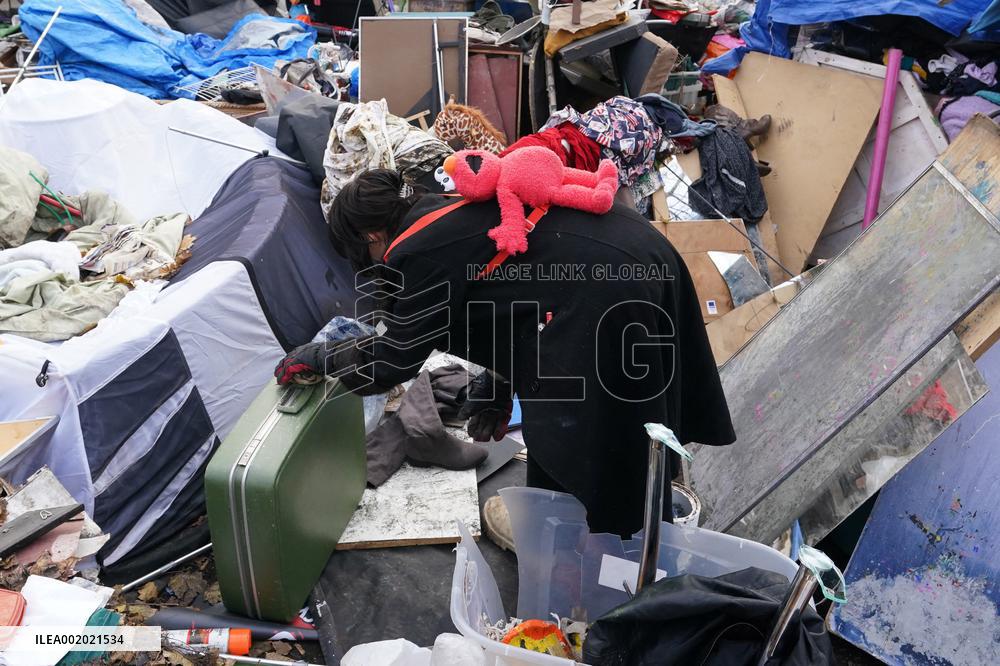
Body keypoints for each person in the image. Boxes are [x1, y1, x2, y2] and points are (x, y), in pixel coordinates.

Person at [275, 165, 735, 540]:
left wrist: (319, 357)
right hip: (638, 247)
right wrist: (497, 386)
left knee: (581, 425)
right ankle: (585, 523)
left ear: (371, 237)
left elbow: (391, 361)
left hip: (609, 285)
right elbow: (514, 296)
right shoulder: (446, 209)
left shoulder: (416, 251)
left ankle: (585, 540)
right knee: (608, 411)